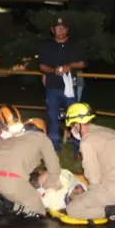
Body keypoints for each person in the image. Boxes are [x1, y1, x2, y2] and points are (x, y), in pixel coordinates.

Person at [64, 103, 115, 227]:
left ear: (77, 124)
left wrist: (88, 196)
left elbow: (94, 180)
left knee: (73, 209)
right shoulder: (108, 131)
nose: (71, 130)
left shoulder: (87, 142)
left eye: (71, 126)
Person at [0, 117, 62, 218]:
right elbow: (55, 169)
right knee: (39, 209)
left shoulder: (13, 137)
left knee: (17, 192)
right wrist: (45, 189)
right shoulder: (42, 139)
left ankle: (3, 199)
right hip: (10, 182)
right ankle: (7, 205)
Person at [39, 16, 86, 154]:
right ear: (52, 30)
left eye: (63, 27)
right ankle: (53, 147)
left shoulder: (75, 45)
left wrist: (69, 66)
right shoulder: (47, 46)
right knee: (52, 118)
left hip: (71, 88)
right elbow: (41, 65)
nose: (60, 30)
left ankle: (78, 149)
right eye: (57, 27)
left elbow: (83, 63)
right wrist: (54, 70)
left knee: (75, 119)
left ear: (67, 29)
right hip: (52, 87)